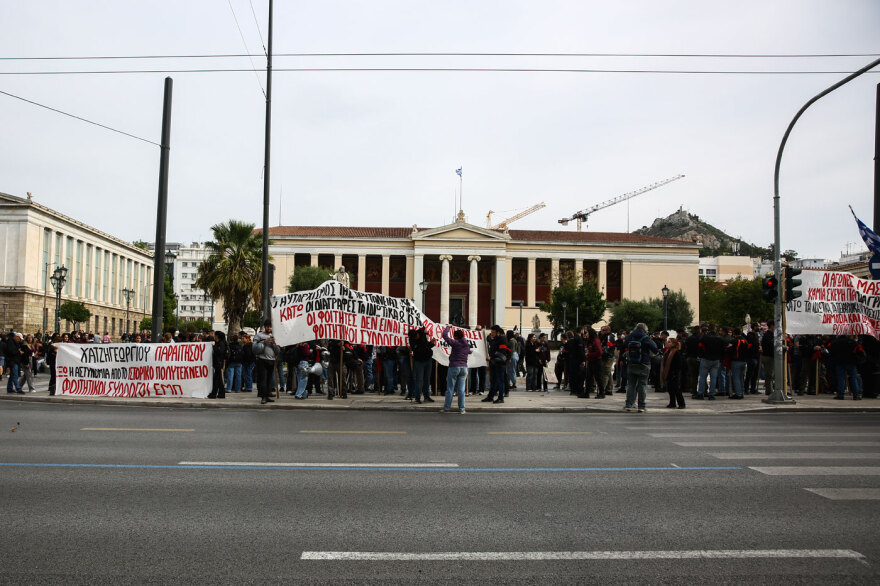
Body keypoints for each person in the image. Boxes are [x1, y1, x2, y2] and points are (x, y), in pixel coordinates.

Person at [624, 322, 658, 413]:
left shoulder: (630, 337)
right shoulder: (646, 338)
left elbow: (624, 345)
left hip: (631, 363)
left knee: (631, 385)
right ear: (645, 329)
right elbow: (655, 349)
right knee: (642, 385)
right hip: (644, 363)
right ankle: (641, 406)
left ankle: (628, 405)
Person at [441, 324, 470, 413]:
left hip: (454, 366)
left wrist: (448, 327)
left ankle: (447, 408)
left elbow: (444, 335)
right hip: (464, 367)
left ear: (456, 337)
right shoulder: (467, 345)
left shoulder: (455, 343)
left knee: (450, 388)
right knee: (461, 390)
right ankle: (462, 409)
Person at [696, 324, 726, 400]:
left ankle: (700, 393)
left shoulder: (704, 338)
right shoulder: (720, 338)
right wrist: (721, 358)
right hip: (716, 360)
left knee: (702, 377)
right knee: (713, 378)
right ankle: (711, 394)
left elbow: (699, 348)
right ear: (715, 329)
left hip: (705, 359)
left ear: (708, 329)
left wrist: (701, 355)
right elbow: (723, 350)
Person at [830, 335, 863, 400]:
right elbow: (858, 351)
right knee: (853, 378)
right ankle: (856, 395)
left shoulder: (835, 342)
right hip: (851, 362)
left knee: (841, 378)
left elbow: (831, 352)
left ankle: (840, 395)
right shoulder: (852, 342)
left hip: (840, 362)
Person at [253, 320, 278, 404]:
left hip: (272, 360)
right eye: (267, 326)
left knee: (269, 380)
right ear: (265, 327)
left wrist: (274, 343)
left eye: (270, 326)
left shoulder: (275, 336)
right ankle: (263, 397)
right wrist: (264, 342)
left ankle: (267, 396)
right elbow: (254, 348)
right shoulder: (259, 336)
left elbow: (278, 351)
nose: (269, 328)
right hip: (262, 360)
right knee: (263, 379)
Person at [483, 326, 511, 403]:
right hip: (494, 362)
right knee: (493, 381)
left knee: (500, 381)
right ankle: (490, 397)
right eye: (491, 332)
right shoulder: (496, 339)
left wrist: (491, 356)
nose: (491, 333)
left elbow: (502, 351)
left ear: (498, 332)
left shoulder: (502, 339)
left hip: (499, 363)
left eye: (493, 332)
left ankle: (501, 398)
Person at [409, 328, 435, 403]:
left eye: (417, 336)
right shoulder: (412, 341)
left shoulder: (421, 333)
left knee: (427, 379)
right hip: (419, 361)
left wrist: (431, 343)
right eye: (415, 337)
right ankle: (417, 397)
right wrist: (430, 344)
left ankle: (426, 396)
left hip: (428, 359)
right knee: (418, 380)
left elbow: (427, 346)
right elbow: (422, 348)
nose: (416, 337)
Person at [660, 337, 685, 409]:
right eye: (667, 342)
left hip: (674, 374)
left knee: (676, 389)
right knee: (670, 389)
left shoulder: (676, 352)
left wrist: (675, 373)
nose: (667, 343)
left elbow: (679, 364)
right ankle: (672, 403)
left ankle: (681, 404)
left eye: (669, 342)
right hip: (668, 373)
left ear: (674, 344)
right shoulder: (667, 352)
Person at [584, 327, 603, 398]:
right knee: (588, 377)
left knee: (598, 377)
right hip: (591, 361)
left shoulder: (595, 341)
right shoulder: (590, 341)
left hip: (596, 361)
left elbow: (599, 352)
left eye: (587, 333)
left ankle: (601, 393)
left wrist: (589, 355)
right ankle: (586, 393)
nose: (586, 334)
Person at [761, 321, 776, 395]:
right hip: (768, 356)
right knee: (769, 374)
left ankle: (770, 390)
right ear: (772, 326)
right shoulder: (768, 335)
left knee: (771, 374)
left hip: (770, 356)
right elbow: (771, 345)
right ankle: (769, 390)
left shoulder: (771, 334)